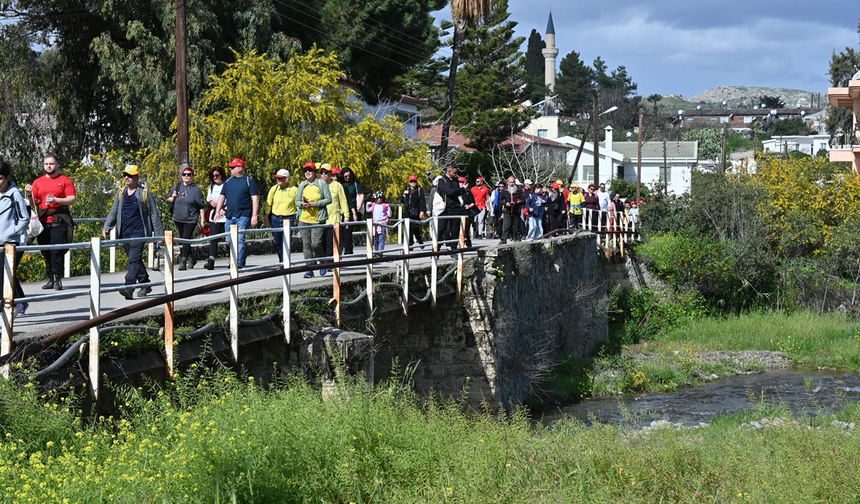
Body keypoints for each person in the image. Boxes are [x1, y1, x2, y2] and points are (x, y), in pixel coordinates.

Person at [103, 165, 164, 300]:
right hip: (125, 233)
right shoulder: (121, 193)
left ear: (137, 177)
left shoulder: (144, 193)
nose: (126, 178)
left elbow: (154, 214)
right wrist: (107, 226)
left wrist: (159, 235)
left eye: (130, 176)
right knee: (134, 260)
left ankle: (129, 287)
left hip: (139, 233)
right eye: (125, 175)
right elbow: (114, 211)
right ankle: (145, 283)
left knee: (134, 259)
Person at [26, 154, 76, 291]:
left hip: (58, 220)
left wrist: (56, 200)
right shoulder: (38, 182)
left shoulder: (65, 180)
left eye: (52, 163)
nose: (49, 166)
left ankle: (58, 278)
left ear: (57, 165)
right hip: (42, 221)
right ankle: (50, 278)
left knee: (57, 250)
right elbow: (34, 203)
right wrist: (29, 194)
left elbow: (72, 199)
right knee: (46, 251)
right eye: (46, 164)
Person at [214, 158, 260, 269]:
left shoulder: (249, 181)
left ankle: (237, 262)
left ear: (240, 168)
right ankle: (239, 256)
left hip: (243, 215)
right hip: (230, 215)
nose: (230, 169)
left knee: (240, 238)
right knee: (229, 239)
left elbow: (255, 199)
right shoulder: (228, 182)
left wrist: (254, 215)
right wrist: (217, 211)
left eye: (232, 167)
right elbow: (221, 197)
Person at [0, 160, 30, 317]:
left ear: (7, 178)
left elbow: (24, 218)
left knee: (6, 273)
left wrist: (10, 233)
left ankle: (17, 302)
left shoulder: (15, 194)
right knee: (5, 273)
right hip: (0, 242)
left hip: (11, 242)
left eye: (0, 178)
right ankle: (18, 302)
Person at [295, 162, 332, 278]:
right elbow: (297, 201)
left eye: (310, 170)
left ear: (315, 172)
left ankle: (321, 263)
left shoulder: (321, 184)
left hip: (318, 218)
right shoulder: (302, 185)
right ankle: (309, 269)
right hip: (304, 218)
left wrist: (315, 204)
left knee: (316, 244)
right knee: (306, 244)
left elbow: (328, 199)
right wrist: (302, 204)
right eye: (305, 170)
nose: (307, 172)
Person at [167, 167, 206, 270]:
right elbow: (169, 199)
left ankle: (183, 260)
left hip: (191, 219)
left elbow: (201, 206)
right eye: (184, 174)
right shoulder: (177, 187)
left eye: (189, 174)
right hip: (178, 218)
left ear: (192, 176)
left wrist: (202, 220)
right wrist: (172, 198)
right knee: (183, 240)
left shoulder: (196, 190)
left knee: (185, 238)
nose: (186, 176)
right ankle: (191, 257)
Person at [265, 169, 298, 262]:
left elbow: (297, 205)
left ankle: (286, 261)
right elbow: (269, 204)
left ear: (286, 179)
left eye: (280, 178)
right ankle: (282, 260)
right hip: (275, 217)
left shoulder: (294, 190)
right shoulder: (274, 189)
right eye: (277, 178)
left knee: (287, 241)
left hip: (288, 217)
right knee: (278, 241)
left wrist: (299, 217)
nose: (278, 180)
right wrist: (266, 217)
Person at [318, 164, 349, 260]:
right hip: (320, 220)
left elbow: (343, 201)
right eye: (321, 172)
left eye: (326, 172)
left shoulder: (337, 185)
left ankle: (328, 263)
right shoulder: (317, 185)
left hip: (334, 219)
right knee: (320, 243)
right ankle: (323, 262)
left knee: (331, 243)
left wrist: (346, 217)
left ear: (330, 173)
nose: (323, 174)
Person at [202, 166, 227, 270]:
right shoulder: (212, 187)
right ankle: (211, 259)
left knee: (229, 238)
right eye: (213, 176)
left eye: (217, 175)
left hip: (225, 214)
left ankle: (233, 260)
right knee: (213, 238)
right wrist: (215, 205)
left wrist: (223, 208)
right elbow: (210, 199)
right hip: (215, 215)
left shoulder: (227, 185)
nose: (215, 177)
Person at [435, 164, 465, 250]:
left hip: (455, 208)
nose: (456, 174)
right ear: (449, 172)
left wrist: (461, 190)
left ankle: (453, 249)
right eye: (455, 172)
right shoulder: (442, 181)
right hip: (444, 209)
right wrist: (461, 189)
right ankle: (437, 248)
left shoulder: (455, 181)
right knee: (441, 229)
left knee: (455, 230)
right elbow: (449, 192)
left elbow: (457, 192)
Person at [339, 167, 364, 255]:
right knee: (342, 229)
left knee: (348, 229)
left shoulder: (355, 183)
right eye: (345, 176)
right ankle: (346, 246)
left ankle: (347, 248)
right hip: (342, 208)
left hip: (353, 208)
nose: (347, 177)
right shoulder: (340, 184)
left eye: (349, 175)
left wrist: (359, 206)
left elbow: (361, 194)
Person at [399, 174, 426, 247]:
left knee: (415, 227)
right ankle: (410, 243)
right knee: (408, 227)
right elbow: (402, 200)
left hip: (416, 211)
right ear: (409, 182)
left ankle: (419, 239)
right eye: (411, 181)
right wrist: (404, 195)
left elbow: (422, 201)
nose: (413, 183)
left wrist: (422, 211)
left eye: (414, 181)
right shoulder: (406, 189)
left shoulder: (420, 190)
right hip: (408, 211)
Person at [499, 176, 523, 244]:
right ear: (508, 182)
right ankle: (503, 240)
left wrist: (517, 203)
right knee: (506, 226)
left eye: (513, 182)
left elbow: (523, 199)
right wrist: (505, 203)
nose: (512, 184)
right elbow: (500, 200)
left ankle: (518, 239)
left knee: (516, 226)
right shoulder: (504, 190)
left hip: (516, 210)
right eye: (510, 182)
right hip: (507, 211)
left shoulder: (518, 190)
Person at [459, 177, 480, 247]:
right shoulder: (456, 191)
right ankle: (461, 242)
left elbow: (473, 202)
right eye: (460, 182)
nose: (461, 184)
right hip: (459, 212)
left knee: (466, 228)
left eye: (463, 183)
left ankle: (467, 241)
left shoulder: (468, 192)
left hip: (467, 213)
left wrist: (468, 206)